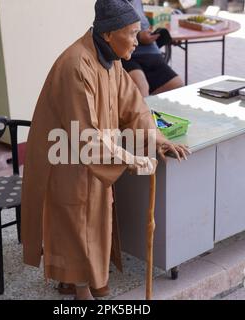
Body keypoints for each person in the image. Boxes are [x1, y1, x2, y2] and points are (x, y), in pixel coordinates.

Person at [20, 0, 190, 300]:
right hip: (65, 156)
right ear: (110, 33)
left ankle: (82, 281)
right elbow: (84, 134)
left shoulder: (110, 58)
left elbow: (133, 107)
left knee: (94, 219)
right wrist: (132, 159)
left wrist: (157, 140)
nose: (137, 42)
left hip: (92, 156)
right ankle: (81, 292)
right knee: (75, 222)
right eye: (133, 34)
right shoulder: (76, 64)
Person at [121, 0, 184, 97]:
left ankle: (145, 106)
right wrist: (139, 37)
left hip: (149, 51)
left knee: (177, 84)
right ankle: (142, 107)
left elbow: (143, 23)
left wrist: (161, 35)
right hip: (126, 52)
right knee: (142, 88)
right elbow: (110, 30)